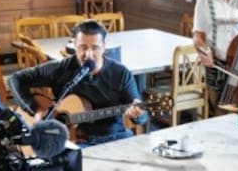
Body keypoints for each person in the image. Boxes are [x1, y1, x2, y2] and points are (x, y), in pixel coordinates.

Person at [8, 19, 146, 145]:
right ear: (74, 45)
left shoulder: (120, 73)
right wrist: (35, 108)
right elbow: (15, 79)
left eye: (95, 48)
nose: (89, 54)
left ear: (104, 46)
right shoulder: (61, 68)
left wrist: (138, 114)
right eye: (83, 47)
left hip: (112, 137)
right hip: (69, 139)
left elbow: (141, 116)